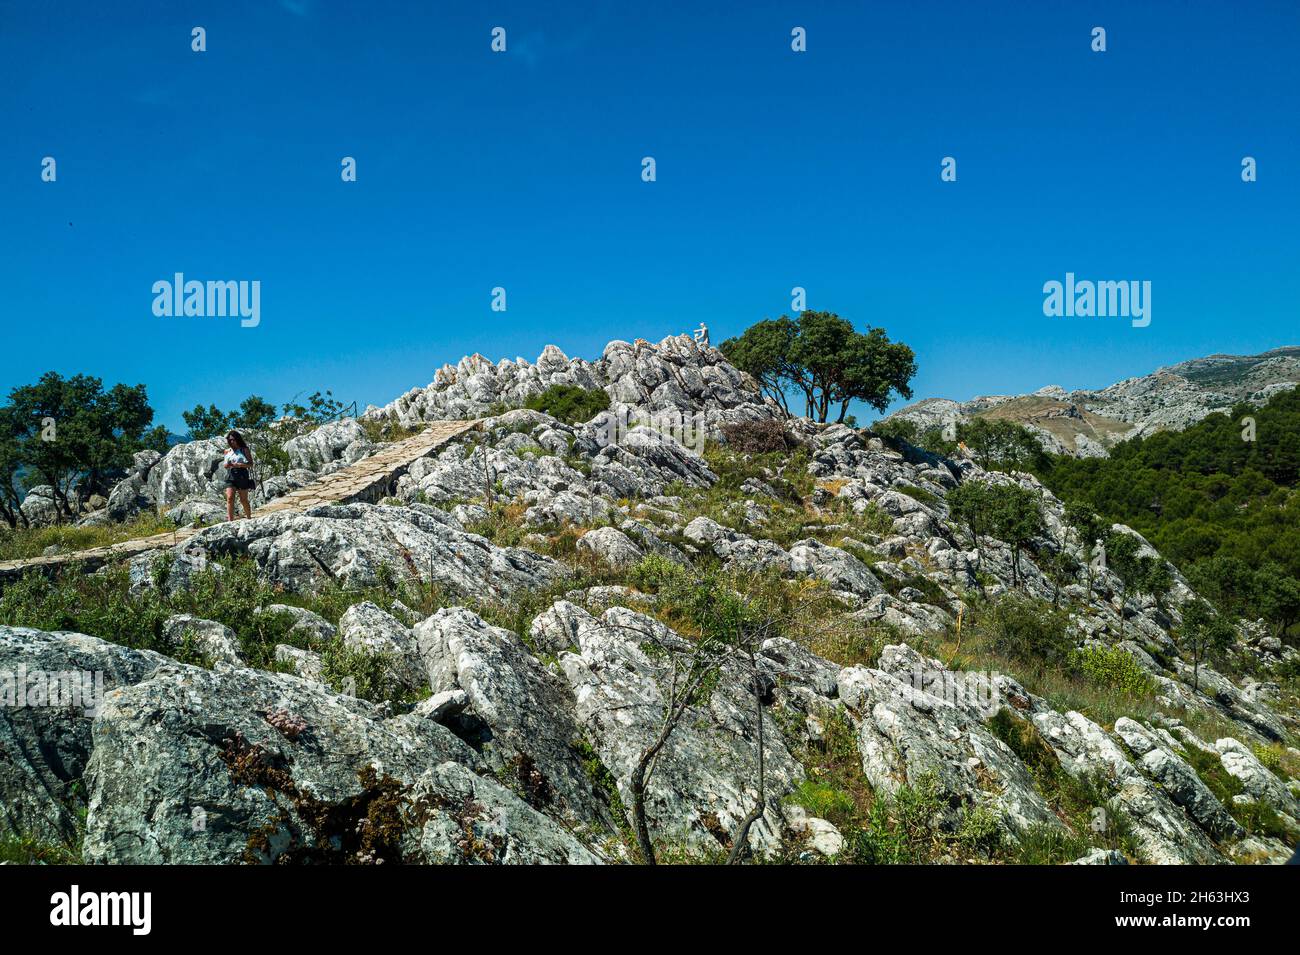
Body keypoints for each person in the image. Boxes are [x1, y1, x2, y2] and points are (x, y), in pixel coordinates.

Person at [222, 430, 255, 521]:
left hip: (242, 475)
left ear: (237, 439)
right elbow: (225, 465)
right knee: (230, 497)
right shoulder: (227, 451)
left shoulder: (244, 449)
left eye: (233, 439)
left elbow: (251, 464)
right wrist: (229, 464)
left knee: (243, 500)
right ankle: (230, 521)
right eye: (230, 440)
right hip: (231, 475)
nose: (231, 441)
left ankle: (249, 518)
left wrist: (240, 465)